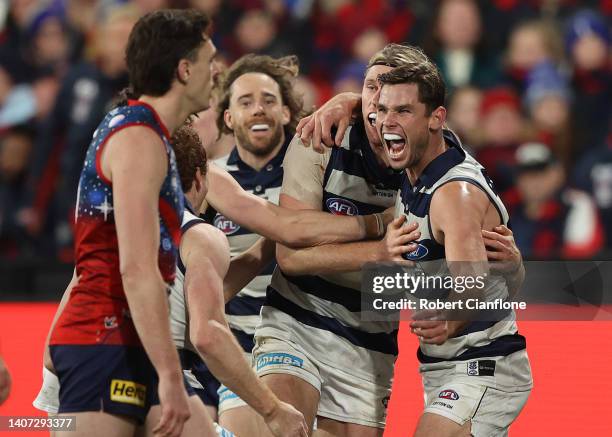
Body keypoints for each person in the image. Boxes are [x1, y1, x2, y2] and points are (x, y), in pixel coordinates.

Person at [46, 9, 220, 437]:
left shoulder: (148, 132)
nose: (217, 72)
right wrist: (172, 376)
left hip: (132, 334)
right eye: (210, 60)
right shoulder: (140, 139)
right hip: (103, 337)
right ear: (183, 69)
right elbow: (136, 268)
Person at [374, 59, 532, 436]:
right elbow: (507, 280)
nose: (386, 121)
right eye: (382, 110)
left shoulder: (452, 195)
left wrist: (449, 319)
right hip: (445, 364)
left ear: (436, 118)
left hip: (483, 362)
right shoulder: (428, 160)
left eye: (403, 110)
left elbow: (472, 282)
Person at [202, 53, 307, 435]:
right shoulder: (208, 180)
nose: (257, 110)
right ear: (228, 117)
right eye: (245, 102)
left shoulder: (313, 172)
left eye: (268, 100)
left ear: (285, 112)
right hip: (236, 345)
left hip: (305, 336)